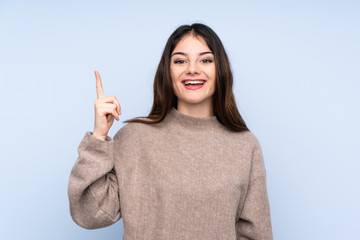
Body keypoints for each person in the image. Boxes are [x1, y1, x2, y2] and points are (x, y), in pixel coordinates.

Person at [67, 23, 273, 240]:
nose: (192, 69)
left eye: (205, 60)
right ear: (168, 71)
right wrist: (98, 138)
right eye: (180, 61)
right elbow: (90, 214)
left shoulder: (245, 145)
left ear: (220, 70)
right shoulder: (134, 138)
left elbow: (256, 234)